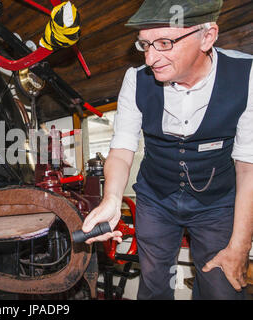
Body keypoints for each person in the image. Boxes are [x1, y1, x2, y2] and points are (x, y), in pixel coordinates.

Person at [82, 0, 252, 299]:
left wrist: (240, 245)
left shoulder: (246, 75)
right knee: (154, 285)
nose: (150, 58)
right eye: (145, 45)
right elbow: (122, 148)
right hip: (155, 198)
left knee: (221, 288)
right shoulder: (136, 79)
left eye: (164, 43)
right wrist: (112, 199)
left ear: (208, 36)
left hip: (217, 204)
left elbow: (248, 165)